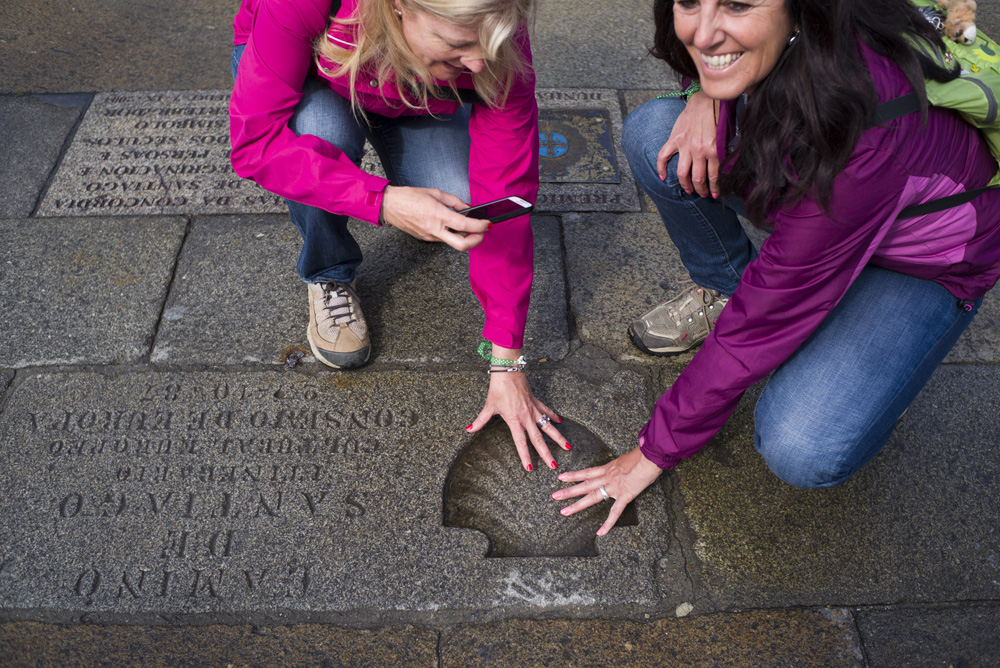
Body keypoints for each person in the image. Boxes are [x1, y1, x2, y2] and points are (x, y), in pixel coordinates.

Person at [554, 0, 1000, 533]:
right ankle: (731, 290)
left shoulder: (866, 123)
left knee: (804, 444)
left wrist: (654, 451)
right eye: (689, 2)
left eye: (739, 5)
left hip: (920, 262)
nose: (704, 33)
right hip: (819, 189)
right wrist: (702, 94)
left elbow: (761, 319)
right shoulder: (790, 46)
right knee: (658, 134)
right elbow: (707, 50)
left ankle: (875, 384)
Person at [229, 0, 569, 470]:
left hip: (414, 84)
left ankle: (412, 194)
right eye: (458, 43)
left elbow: (507, 201)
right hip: (317, 72)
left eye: (486, 44)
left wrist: (507, 359)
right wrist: (382, 201)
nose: (477, 63)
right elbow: (256, 144)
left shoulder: (492, 41)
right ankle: (328, 272)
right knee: (319, 139)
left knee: (466, 201)